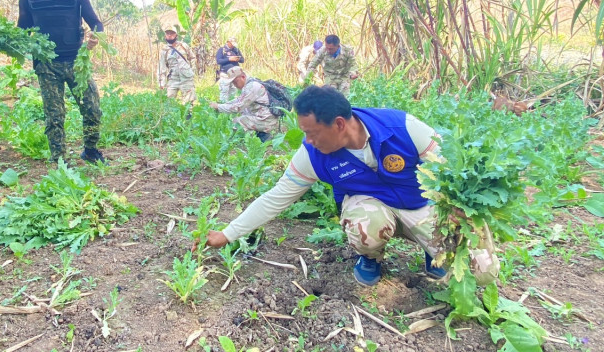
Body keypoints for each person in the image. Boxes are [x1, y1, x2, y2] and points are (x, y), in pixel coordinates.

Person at [205, 86, 499, 287]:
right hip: (372, 212)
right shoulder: (312, 155)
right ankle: (370, 257)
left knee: (483, 271)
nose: (307, 141)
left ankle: (433, 250)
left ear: (339, 124)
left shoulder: (404, 128)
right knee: (366, 227)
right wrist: (227, 234)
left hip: (422, 207)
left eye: (311, 132)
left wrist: (459, 207)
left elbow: (454, 170)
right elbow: (275, 198)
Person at [17, 0, 104, 164]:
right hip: (46, 66)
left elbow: (96, 23)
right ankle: (59, 160)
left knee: (92, 109)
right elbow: (20, 33)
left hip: (76, 63)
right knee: (54, 116)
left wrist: (95, 36)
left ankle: (91, 151)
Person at [209, 66, 278, 142]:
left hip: (266, 120)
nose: (235, 85)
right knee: (244, 111)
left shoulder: (251, 87)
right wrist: (222, 104)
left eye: (235, 82)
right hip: (264, 117)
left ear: (243, 77)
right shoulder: (250, 83)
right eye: (233, 83)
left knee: (237, 121)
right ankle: (259, 134)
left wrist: (218, 107)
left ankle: (263, 135)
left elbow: (238, 107)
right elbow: (238, 100)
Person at [158, 26, 196, 105]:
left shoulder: (184, 46)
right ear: (165, 36)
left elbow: (192, 58)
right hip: (173, 78)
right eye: (168, 34)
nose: (169, 35)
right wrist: (162, 82)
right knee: (169, 101)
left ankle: (188, 112)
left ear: (176, 35)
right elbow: (162, 67)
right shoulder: (164, 50)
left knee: (189, 103)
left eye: (172, 33)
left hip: (186, 77)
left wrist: (192, 71)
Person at [216, 37, 245, 102]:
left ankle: (231, 104)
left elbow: (242, 60)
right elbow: (219, 61)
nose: (233, 45)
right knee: (224, 90)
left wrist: (238, 59)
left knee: (233, 90)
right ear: (228, 42)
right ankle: (223, 104)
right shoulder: (222, 50)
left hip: (235, 74)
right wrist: (229, 59)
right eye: (232, 44)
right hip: (225, 74)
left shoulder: (236, 50)